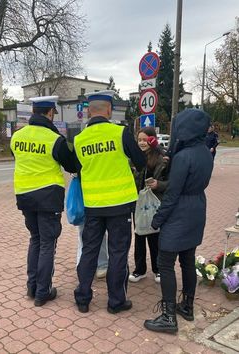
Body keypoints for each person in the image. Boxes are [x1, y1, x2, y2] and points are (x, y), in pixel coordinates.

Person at [73, 90, 146, 313]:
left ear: (88, 111)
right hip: (120, 205)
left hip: (93, 206)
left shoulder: (78, 139)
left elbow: (76, 169)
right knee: (117, 253)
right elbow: (141, 161)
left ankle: (83, 299)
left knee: (89, 251)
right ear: (109, 110)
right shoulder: (120, 133)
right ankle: (116, 302)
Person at [144, 109, 213, 333]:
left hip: (179, 213)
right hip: (197, 209)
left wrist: (158, 219)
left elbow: (172, 194)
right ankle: (187, 307)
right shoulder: (204, 151)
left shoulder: (183, 156)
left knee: (165, 263)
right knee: (187, 260)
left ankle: (168, 317)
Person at [10, 96, 76, 307]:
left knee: (35, 239)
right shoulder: (53, 139)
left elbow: (18, 158)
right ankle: (43, 292)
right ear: (50, 113)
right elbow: (71, 165)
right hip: (48, 197)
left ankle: (32, 287)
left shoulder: (17, 136)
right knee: (48, 243)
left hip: (24, 196)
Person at [129, 127, 168, 284]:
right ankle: (140, 270)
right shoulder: (133, 158)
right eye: (139, 140)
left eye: (145, 139)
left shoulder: (162, 158)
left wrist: (158, 184)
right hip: (138, 203)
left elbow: (170, 183)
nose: (142, 143)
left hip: (155, 202)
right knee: (139, 236)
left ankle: (157, 270)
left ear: (152, 139)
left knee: (154, 236)